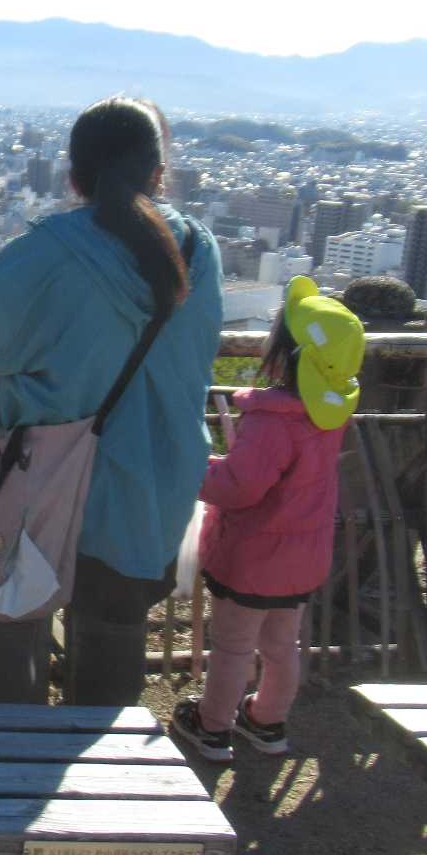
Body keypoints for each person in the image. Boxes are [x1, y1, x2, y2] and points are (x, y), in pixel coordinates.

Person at [0, 96, 222, 706]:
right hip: (151, 483)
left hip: (47, 481)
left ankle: (7, 768)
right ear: (159, 172)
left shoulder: (60, 246)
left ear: (74, 174)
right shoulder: (197, 249)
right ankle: (95, 775)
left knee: (12, 616)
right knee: (115, 635)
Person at [172, 277, 364, 761]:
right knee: (282, 644)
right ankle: (267, 720)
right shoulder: (327, 418)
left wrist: (198, 470)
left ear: (284, 356)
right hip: (302, 557)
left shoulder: (273, 419)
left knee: (234, 645)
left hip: (254, 556)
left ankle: (212, 726)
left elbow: (240, 487)